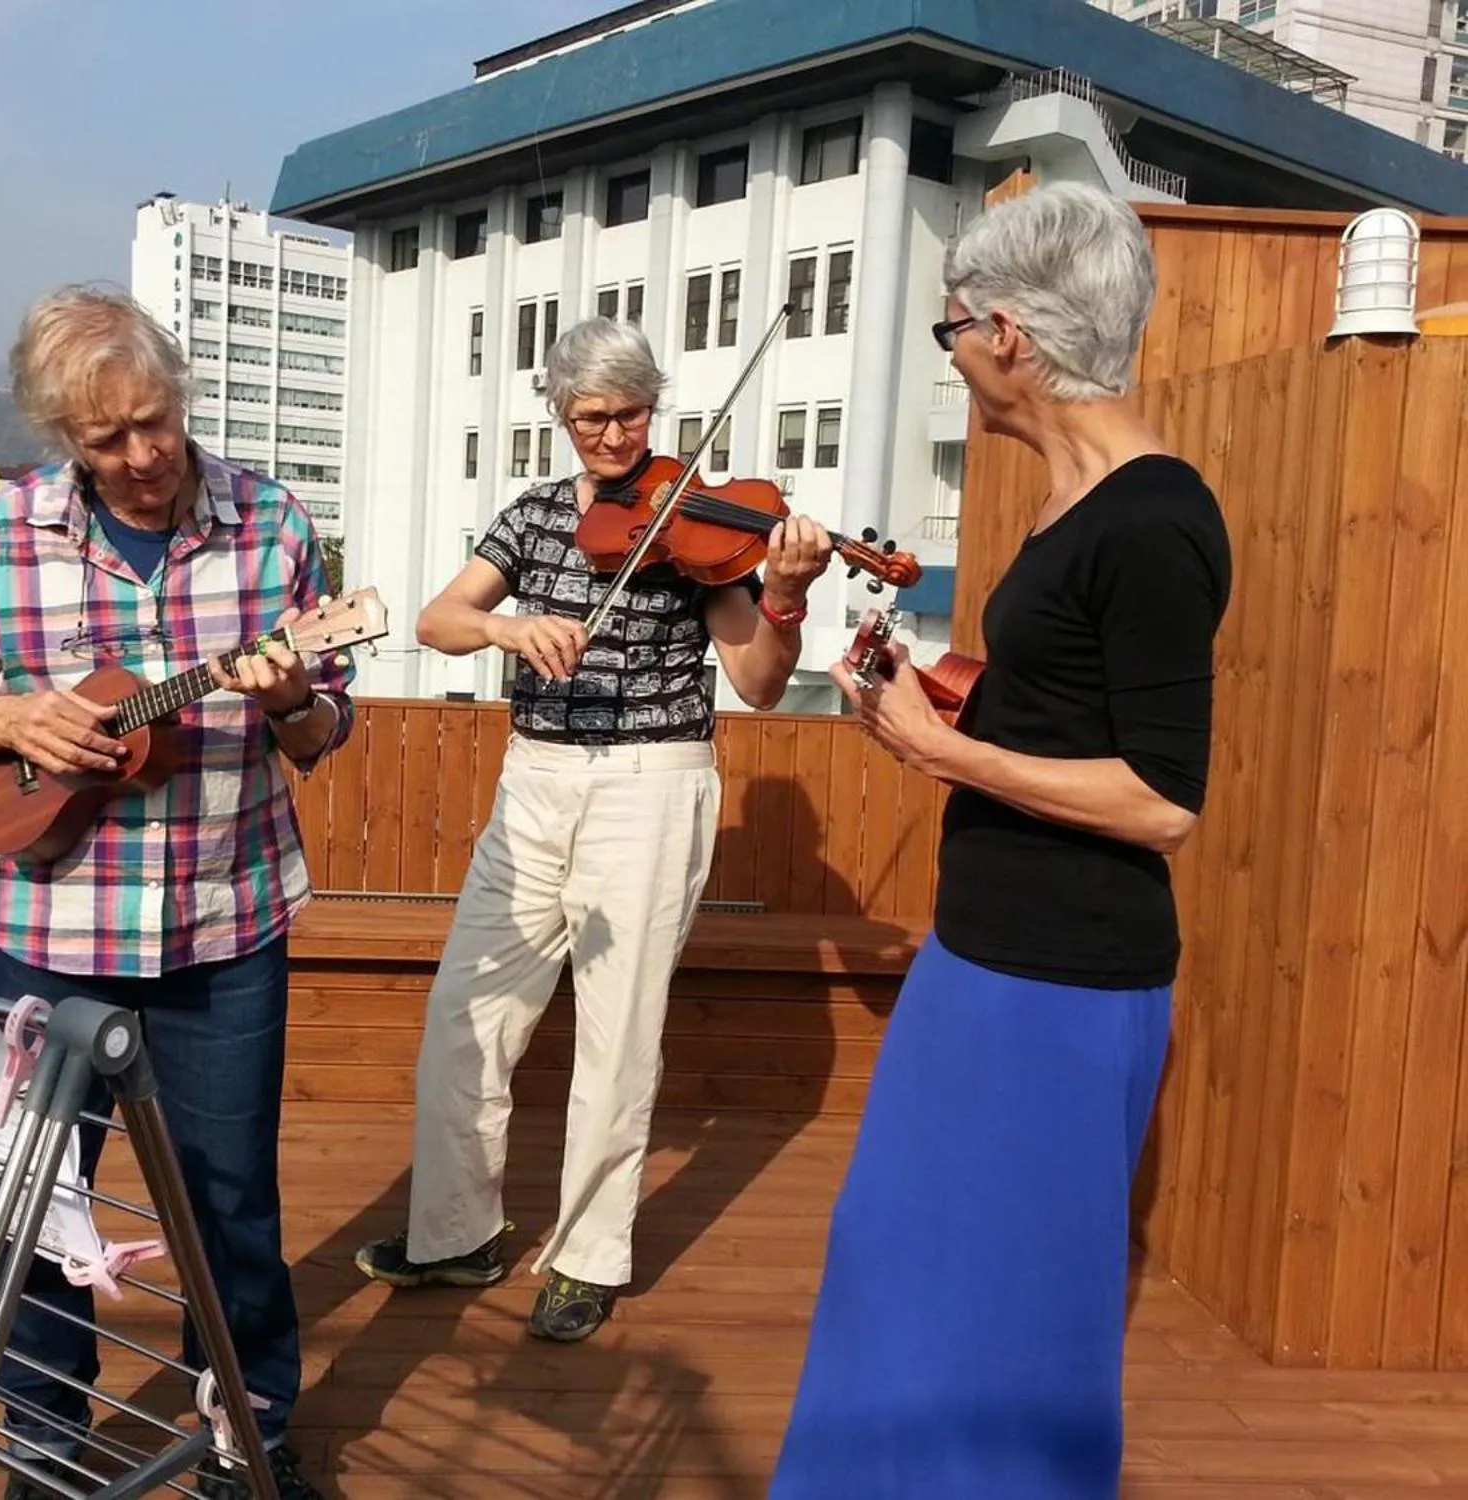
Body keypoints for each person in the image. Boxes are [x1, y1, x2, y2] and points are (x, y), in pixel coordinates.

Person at [768, 183, 1233, 1498]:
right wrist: (936, 687)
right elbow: (1068, 711)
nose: (955, 352)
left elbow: (1164, 801)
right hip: (981, 961)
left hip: (1066, 993)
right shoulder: (1072, 506)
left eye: (952, 328)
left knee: (1014, 1328)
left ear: (1012, 334)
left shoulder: (1154, 522)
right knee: (901, 1273)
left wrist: (942, 751)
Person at [0, 283, 350, 1500]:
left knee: (227, 1199)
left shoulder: (273, 525)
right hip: (42, 931)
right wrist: (11, 714)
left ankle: (245, 1428)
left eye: (153, 422)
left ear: (178, 397)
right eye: (105, 439)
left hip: (223, 926)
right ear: (58, 438)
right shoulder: (3, 536)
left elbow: (325, 724)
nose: (140, 457)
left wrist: (291, 698)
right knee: (33, 1205)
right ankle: (47, 1444)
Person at [353, 316, 833, 1341]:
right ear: (559, 416)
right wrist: (505, 625)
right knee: (463, 1017)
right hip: (533, 785)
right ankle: (456, 1235)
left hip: (651, 784)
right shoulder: (530, 517)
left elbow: (753, 682)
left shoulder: (699, 528)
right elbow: (436, 619)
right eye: (589, 420)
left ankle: (585, 1256)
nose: (614, 440)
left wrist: (782, 595)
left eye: (629, 415)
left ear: (653, 408)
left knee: (618, 1033)